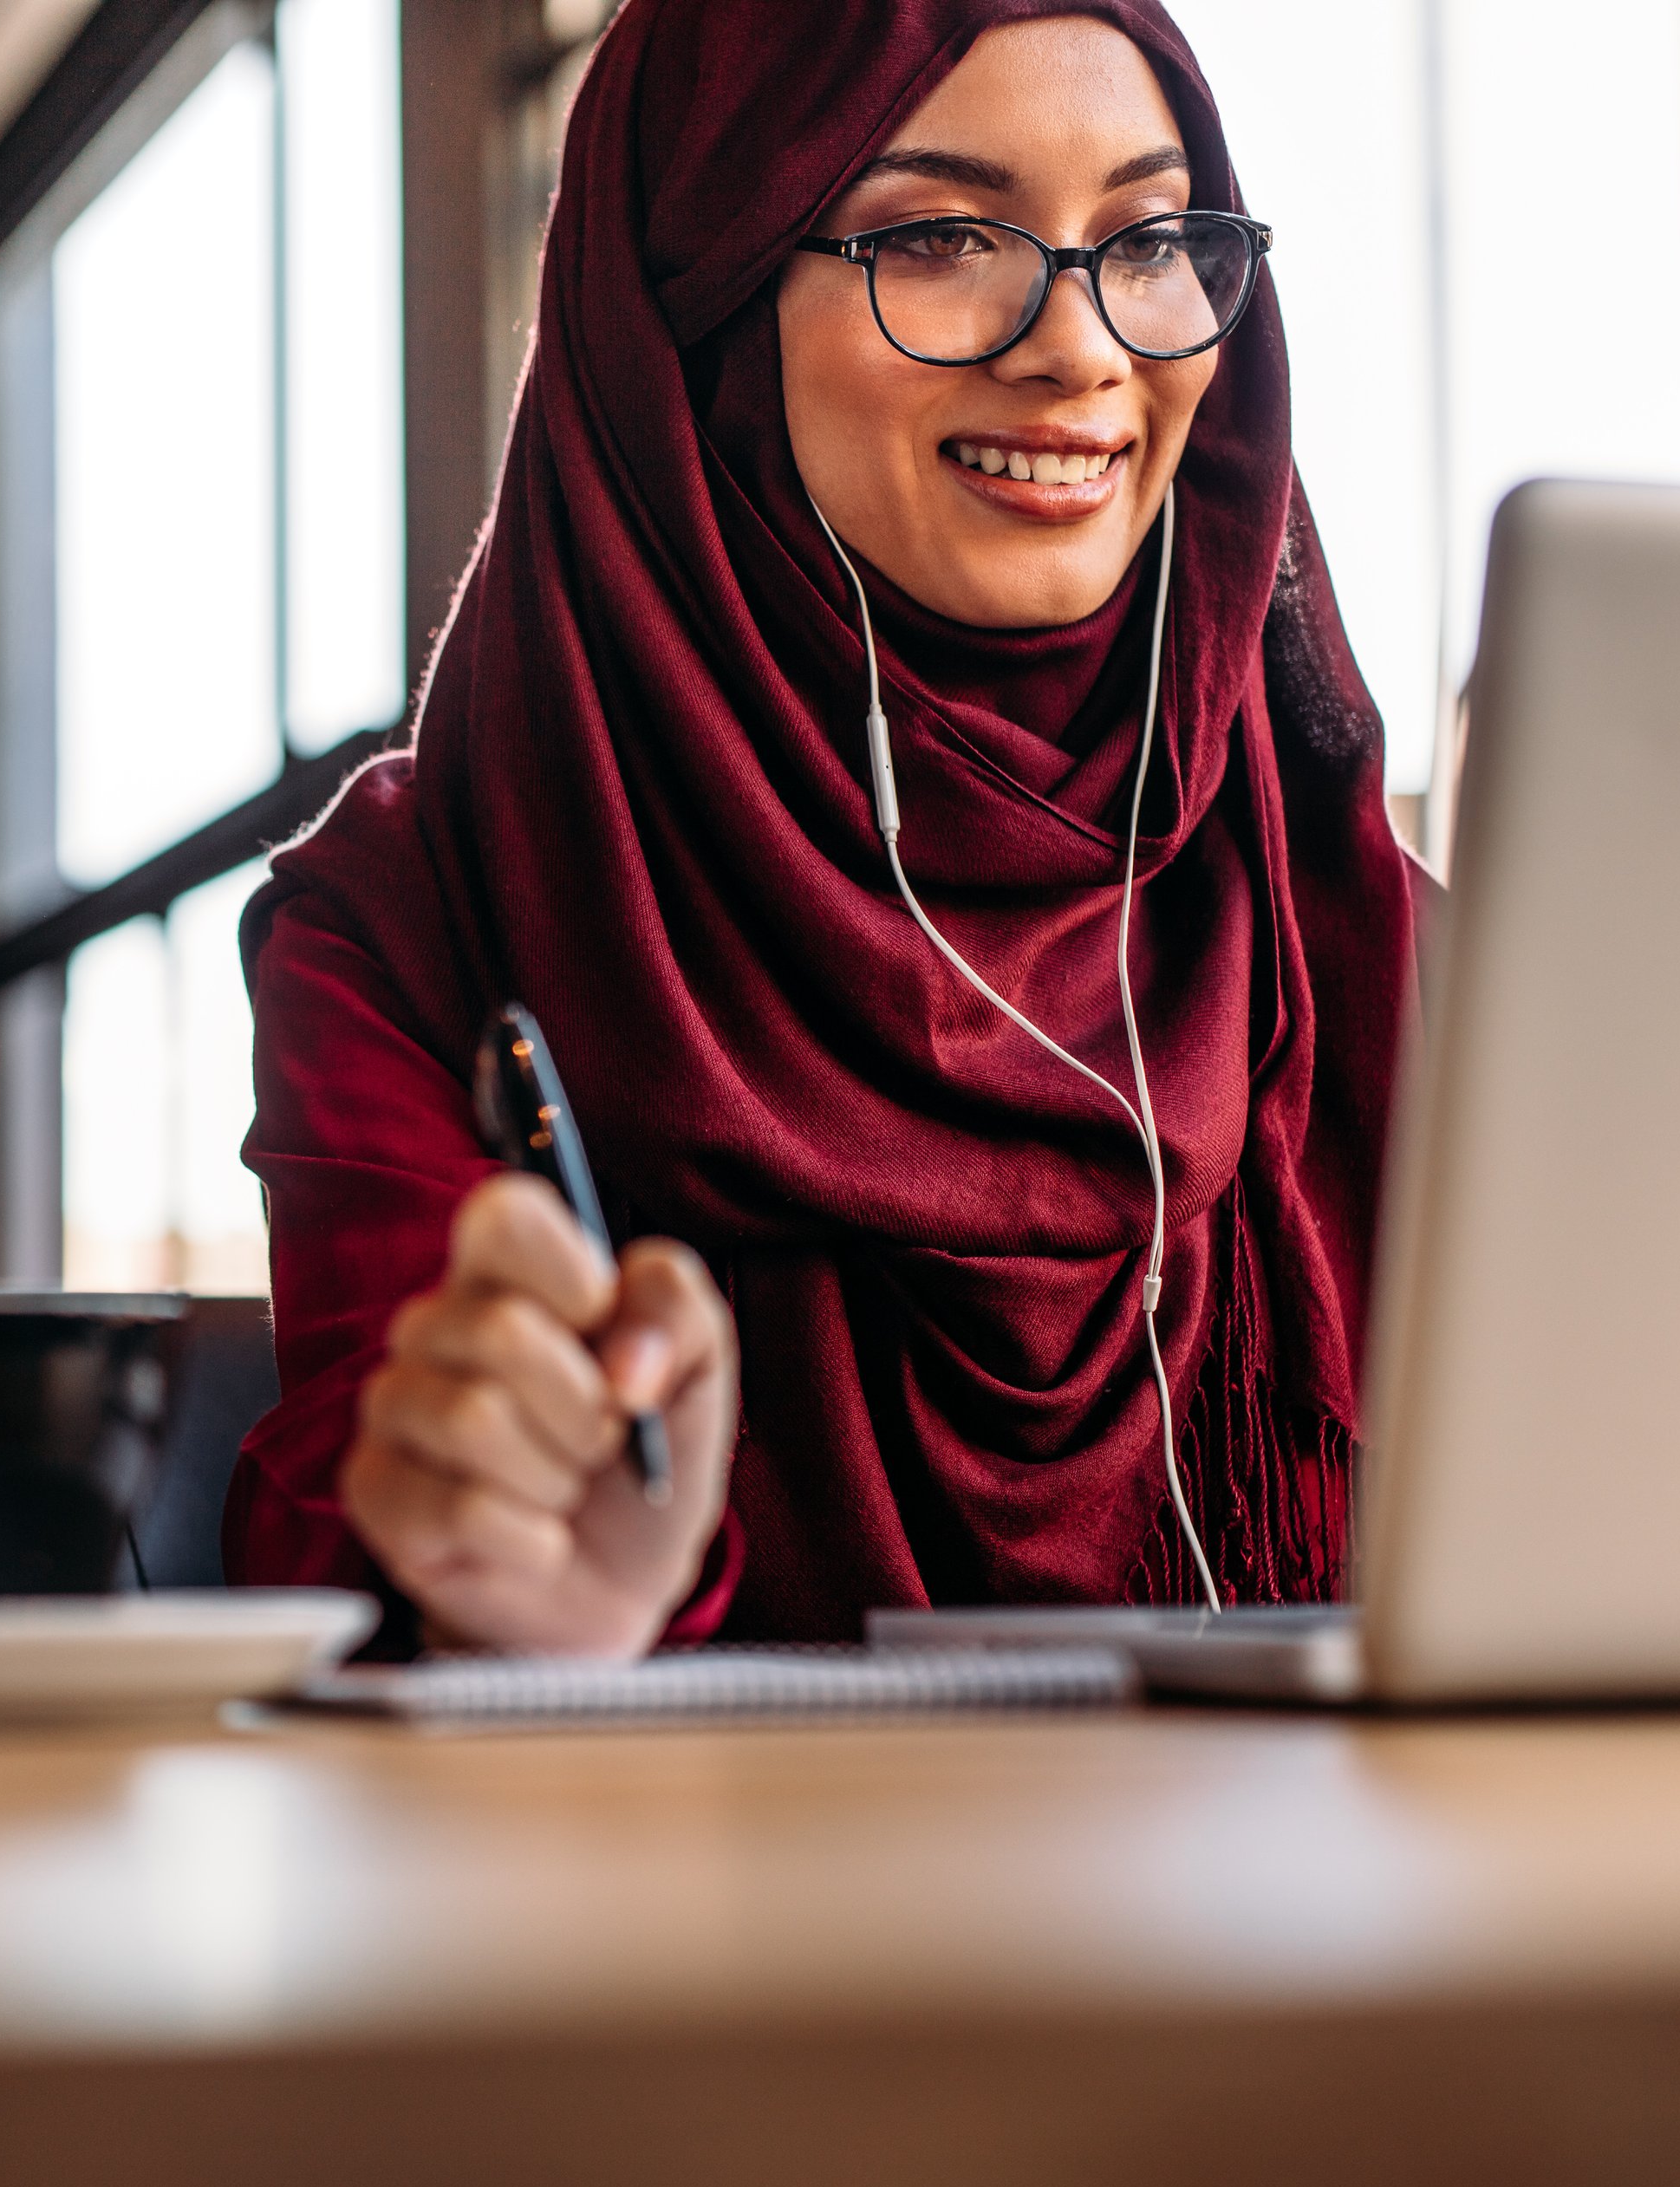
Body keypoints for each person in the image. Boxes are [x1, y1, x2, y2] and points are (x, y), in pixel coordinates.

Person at [230, 0, 1420, 1657]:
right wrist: (509, 1582)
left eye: (1147, 238)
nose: (1080, 350)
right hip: (703, 1902)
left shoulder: (1346, 918)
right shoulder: (425, 909)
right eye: (938, 232)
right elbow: (361, 1534)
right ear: (693, 315)